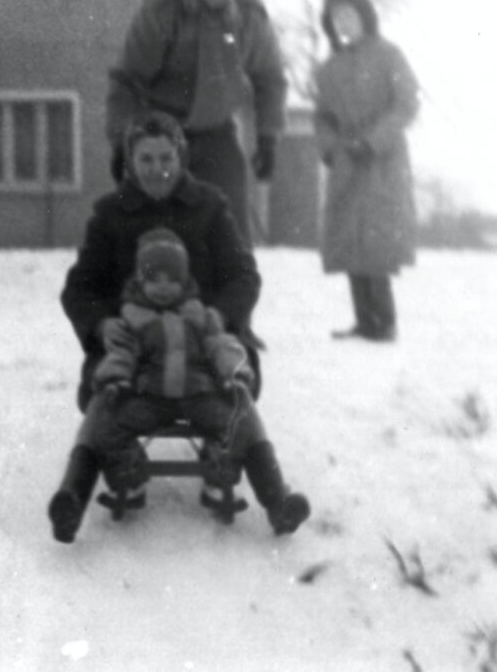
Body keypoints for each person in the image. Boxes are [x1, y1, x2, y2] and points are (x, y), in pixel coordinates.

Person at [49, 111, 309, 543]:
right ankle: (72, 498)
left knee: (237, 401)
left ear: (181, 157)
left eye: (166, 157)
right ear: (130, 162)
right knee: (104, 398)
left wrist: (219, 318)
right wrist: (101, 324)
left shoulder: (208, 206)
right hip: (136, 342)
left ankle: (273, 496)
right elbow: (79, 288)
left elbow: (244, 276)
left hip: (203, 339)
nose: (157, 168)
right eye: (146, 159)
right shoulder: (111, 214)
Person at [105, 0, 288, 247]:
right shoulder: (163, 9)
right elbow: (128, 79)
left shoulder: (249, 15)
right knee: (157, 239)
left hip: (216, 134)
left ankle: (227, 293)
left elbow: (270, 77)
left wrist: (268, 137)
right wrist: (120, 142)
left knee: (231, 236)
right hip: (160, 135)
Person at [313, 0, 419, 342]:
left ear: (364, 16)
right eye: (336, 17)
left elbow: (406, 103)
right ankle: (363, 321)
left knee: (376, 240)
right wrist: (329, 148)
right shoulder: (328, 69)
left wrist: (374, 142)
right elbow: (322, 116)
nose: (343, 23)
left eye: (349, 14)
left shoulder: (389, 55)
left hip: (381, 161)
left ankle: (384, 322)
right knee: (348, 238)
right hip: (346, 160)